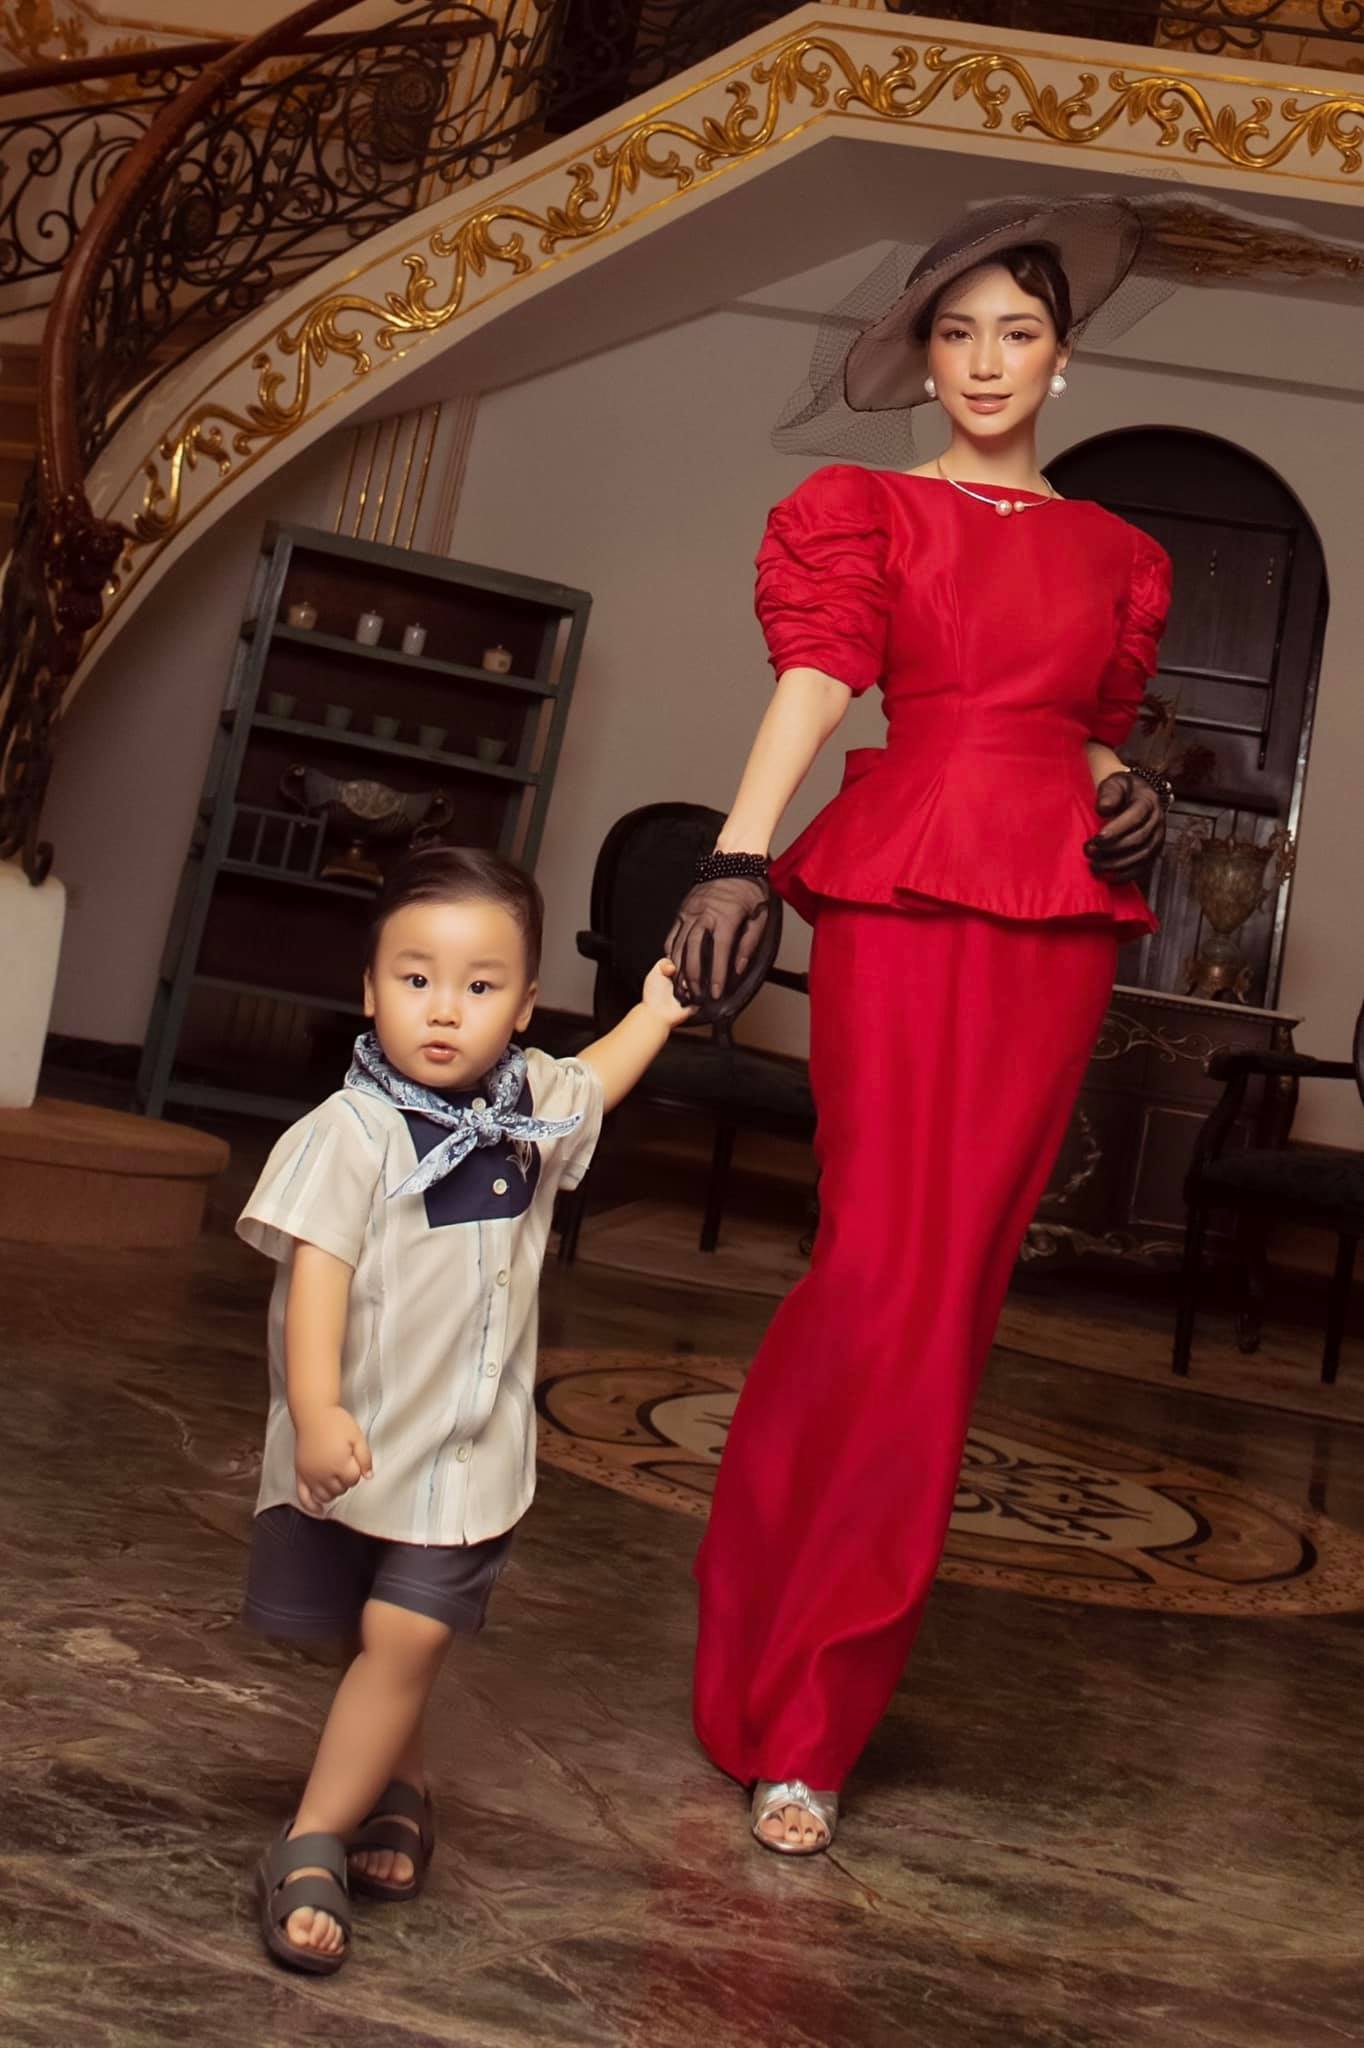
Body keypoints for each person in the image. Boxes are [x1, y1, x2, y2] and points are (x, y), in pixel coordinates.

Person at [667, 195, 1175, 1855]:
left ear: (1062, 354)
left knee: (950, 1300)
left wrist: (1130, 792)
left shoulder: (1118, 555)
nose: (984, 361)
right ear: (923, 356)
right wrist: (738, 854)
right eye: (954, 334)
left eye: (1014, 332)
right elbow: (818, 683)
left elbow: (1086, 728)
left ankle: (814, 1721)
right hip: (899, 893)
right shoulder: (866, 509)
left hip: (1056, 923)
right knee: (874, 1273)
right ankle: (757, 1637)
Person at [239, 844, 693, 1972]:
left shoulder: (530, 1105)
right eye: (416, 978)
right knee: (363, 1638)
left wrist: (657, 1008)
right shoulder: (347, 1133)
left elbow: (596, 1075)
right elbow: (318, 1281)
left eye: (480, 985)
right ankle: (397, 1785)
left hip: (469, 1456)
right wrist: (316, 1408)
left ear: (524, 1004)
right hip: (358, 1440)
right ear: (370, 988)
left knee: (406, 1634)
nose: (445, 1008)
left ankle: (309, 1838)